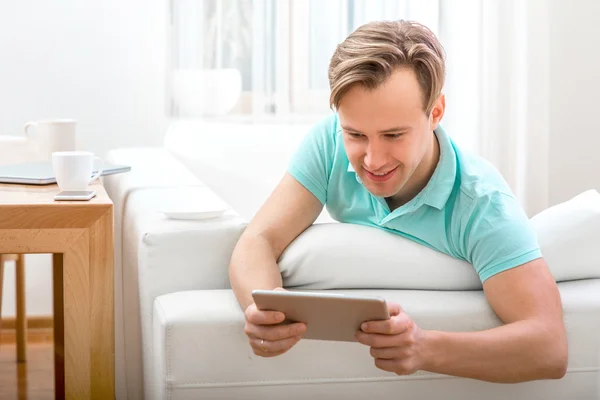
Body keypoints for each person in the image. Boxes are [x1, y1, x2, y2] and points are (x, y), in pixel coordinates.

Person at [228, 20, 567, 383]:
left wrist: (424, 348)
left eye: (393, 135)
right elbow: (257, 240)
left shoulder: (482, 205)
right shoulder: (328, 142)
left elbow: (549, 347)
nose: (372, 160)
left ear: (435, 113)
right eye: (356, 134)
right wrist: (260, 311)